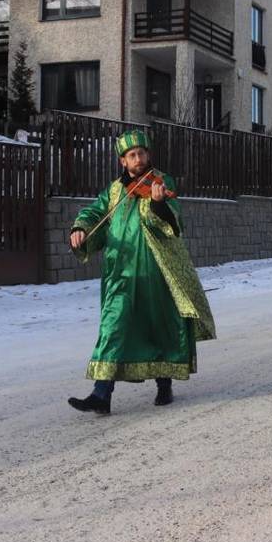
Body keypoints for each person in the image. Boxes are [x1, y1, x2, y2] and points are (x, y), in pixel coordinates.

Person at [67, 130, 216, 414]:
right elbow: (94, 213)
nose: (138, 159)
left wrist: (159, 203)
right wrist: (80, 228)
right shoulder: (113, 190)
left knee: (158, 326)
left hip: (156, 271)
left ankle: (164, 383)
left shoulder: (161, 181)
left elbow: (173, 221)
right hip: (120, 273)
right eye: (132, 155)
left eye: (142, 153)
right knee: (113, 326)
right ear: (123, 161)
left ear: (148, 155)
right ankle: (102, 393)